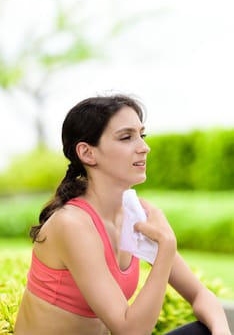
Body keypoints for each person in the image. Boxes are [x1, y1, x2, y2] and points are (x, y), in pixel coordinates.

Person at [14, 94, 231, 335]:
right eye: (127, 137)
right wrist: (166, 247)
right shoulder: (71, 223)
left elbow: (201, 295)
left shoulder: (139, 214)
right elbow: (130, 331)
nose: (144, 147)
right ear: (87, 153)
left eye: (142, 135)